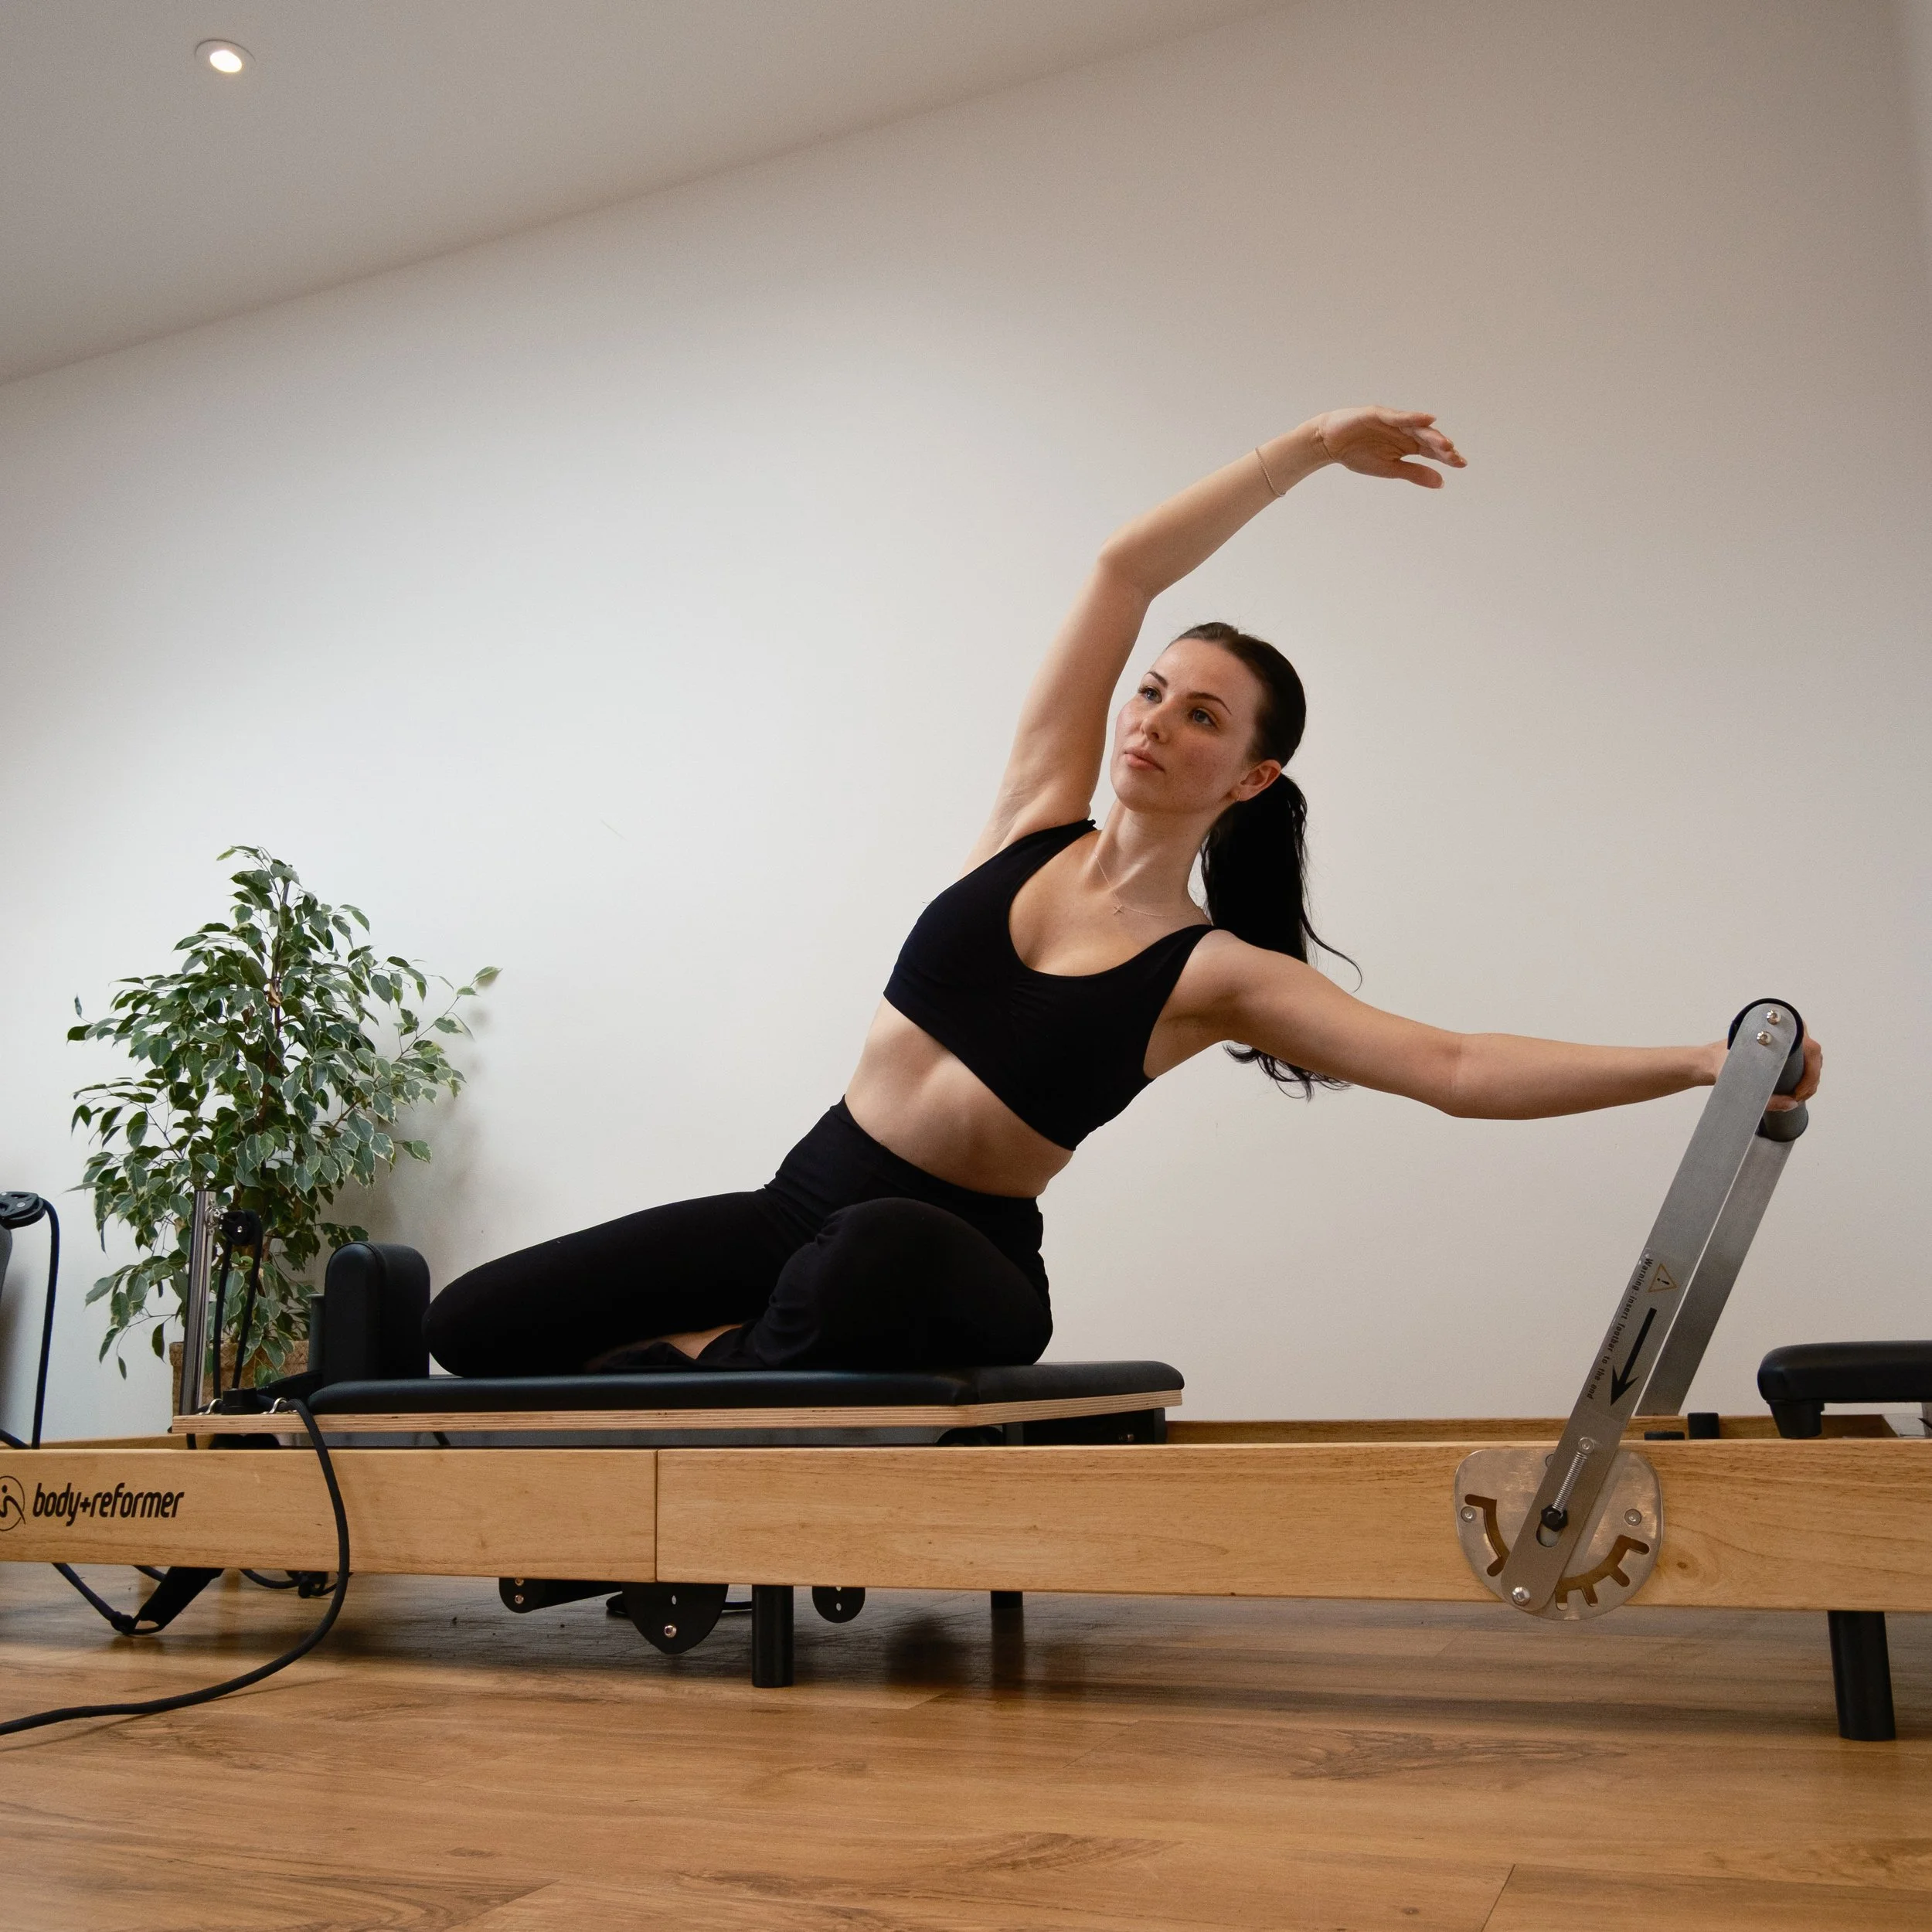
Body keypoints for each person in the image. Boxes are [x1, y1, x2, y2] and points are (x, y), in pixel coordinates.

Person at [423, 406, 1823, 1379]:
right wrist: (1304, 454)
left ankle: (717, 1370)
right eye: (1153, 691)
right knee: (478, 1324)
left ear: (1251, 778)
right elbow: (1123, 567)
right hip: (800, 1205)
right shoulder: (1031, 817)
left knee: (871, 1256)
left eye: (1203, 717)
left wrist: (1704, 1063)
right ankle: (712, 1368)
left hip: (949, 1257)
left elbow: (1451, 1065)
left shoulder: (1211, 976)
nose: (1153, 718)